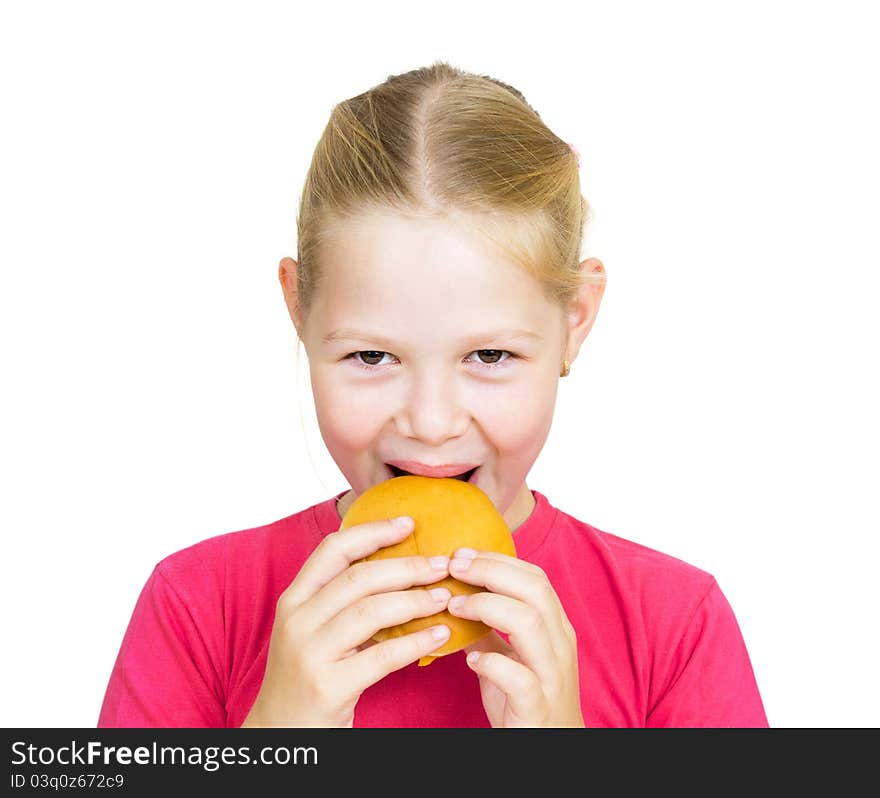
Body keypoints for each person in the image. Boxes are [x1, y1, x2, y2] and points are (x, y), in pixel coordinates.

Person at [97, 60, 768, 728]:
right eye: (371, 355)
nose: (431, 422)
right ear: (299, 310)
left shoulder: (676, 626)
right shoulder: (198, 607)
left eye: (490, 355)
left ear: (575, 321)